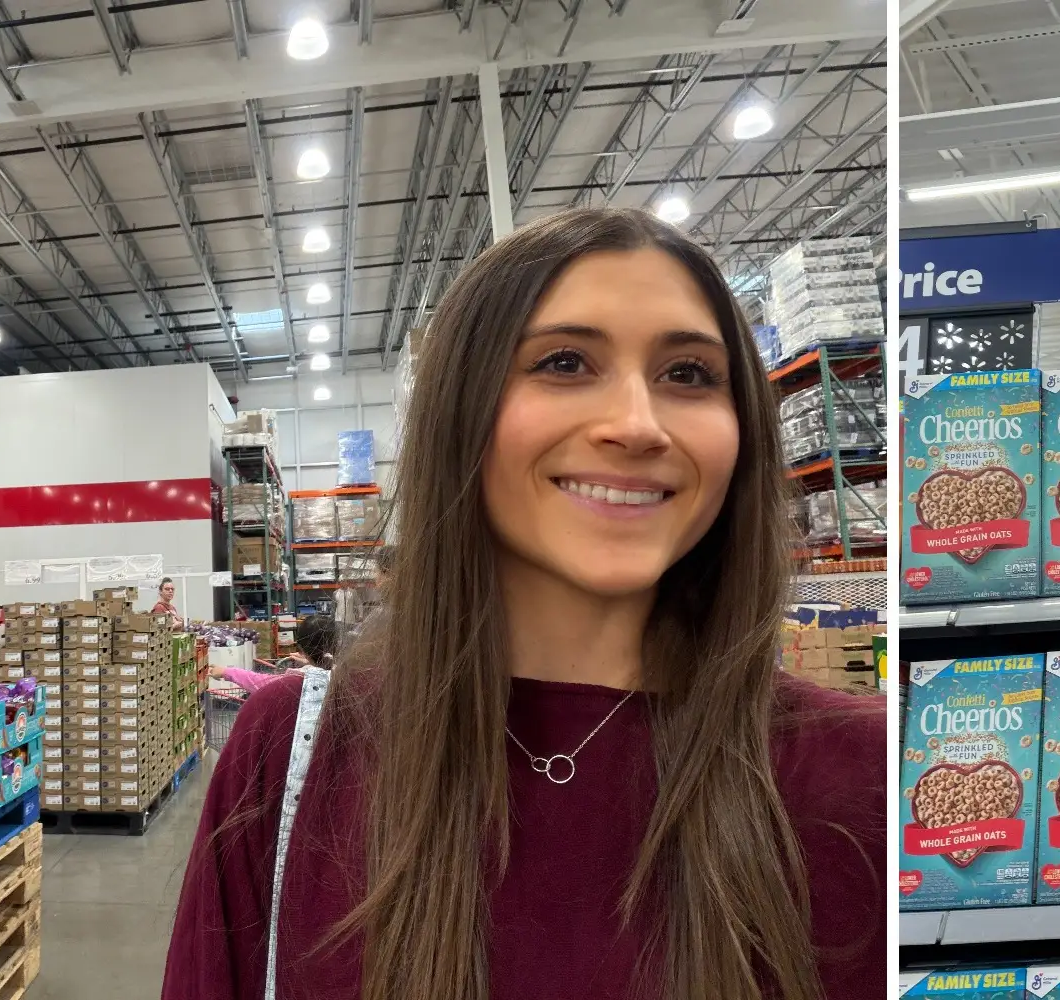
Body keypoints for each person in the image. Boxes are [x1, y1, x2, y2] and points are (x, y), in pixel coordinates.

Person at [164, 208, 886, 1000]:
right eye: (567, 362)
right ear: (460, 415)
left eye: (688, 374)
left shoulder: (865, 777)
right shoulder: (298, 757)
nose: (637, 425)